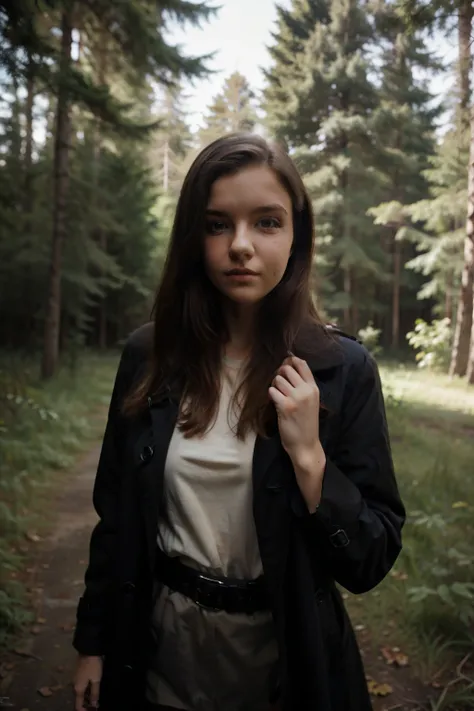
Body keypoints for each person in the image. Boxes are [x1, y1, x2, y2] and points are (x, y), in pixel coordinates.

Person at [72, 133, 405, 711]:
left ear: (297, 234)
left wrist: (311, 461)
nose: (241, 246)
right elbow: (118, 518)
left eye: (267, 222)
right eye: (218, 224)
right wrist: (92, 644)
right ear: (192, 237)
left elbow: (370, 559)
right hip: (160, 649)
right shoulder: (149, 357)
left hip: (283, 661)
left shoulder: (343, 370)